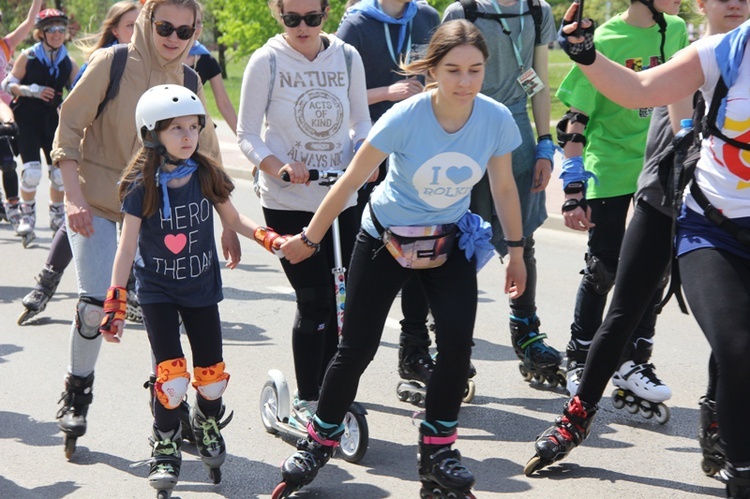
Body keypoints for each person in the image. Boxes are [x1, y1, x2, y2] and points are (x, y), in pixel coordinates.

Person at [272, 20, 526, 498]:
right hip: (384, 240)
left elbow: (505, 188)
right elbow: (350, 182)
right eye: (453, 70)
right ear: (433, 70)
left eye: (475, 70)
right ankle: (319, 440)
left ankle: (438, 449)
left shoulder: (494, 119)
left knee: (456, 347)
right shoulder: (405, 117)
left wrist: (516, 253)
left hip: (447, 241)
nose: (465, 81)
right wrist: (310, 237)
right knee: (356, 350)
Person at [526, 7, 750, 497]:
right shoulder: (697, 48)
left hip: (723, 208)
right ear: (703, 5)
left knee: (732, 331)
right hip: (669, 192)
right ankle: (577, 416)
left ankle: (716, 419)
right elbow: (661, 101)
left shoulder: (682, 33)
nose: (734, 4)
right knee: (624, 308)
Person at [51, 0, 239, 459]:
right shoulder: (112, 63)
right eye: (164, 26)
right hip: (96, 201)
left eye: (184, 29)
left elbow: (208, 156)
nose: (173, 37)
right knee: (97, 303)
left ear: (195, 32)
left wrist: (229, 222)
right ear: (148, 22)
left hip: (156, 212)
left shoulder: (191, 81)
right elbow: (69, 128)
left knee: (165, 311)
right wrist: (73, 198)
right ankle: (78, 389)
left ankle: (171, 417)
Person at [99, 84, 276, 496]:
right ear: (152, 134)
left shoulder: (206, 173)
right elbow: (126, 249)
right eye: (176, 128)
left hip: (200, 287)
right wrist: (116, 301)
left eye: (194, 127)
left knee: (211, 378)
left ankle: (207, 420)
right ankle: (165, 439)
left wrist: (270, 239)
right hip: (158, 290)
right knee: (172, 377)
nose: (187, 136)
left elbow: (235, 218)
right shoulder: (140, 186)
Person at [236, 0, 370, 429]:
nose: (302, 27)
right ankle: (309, 398)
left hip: (341, 197)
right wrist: (279, 167)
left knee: (342, 300)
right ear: (279, 15)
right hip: (288, 201)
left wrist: (369, 160)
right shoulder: (267, 61)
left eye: (312, 18)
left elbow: (361, 124)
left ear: (326, 13)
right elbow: (247, 134)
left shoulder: (347, 57)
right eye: (292, 19)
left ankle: (334, 392)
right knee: (314, 300)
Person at [554, 0, 688, 396]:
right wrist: (573, 189)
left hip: (659, 163)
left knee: (652, 268)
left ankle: (634, 361)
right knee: (603, 268)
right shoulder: (608, 39)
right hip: (609, 165)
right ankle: (579, 356)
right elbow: (575, 119)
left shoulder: (677, 29)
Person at [443, 0, 561, 387]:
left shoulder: (539, 11)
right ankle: (448, 340)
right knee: (459, 243)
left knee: (520, 238)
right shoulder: (464, 13)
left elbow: (538, 82)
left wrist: (545, 142)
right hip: (467, 132)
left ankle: (526, 331)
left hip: (517, 136)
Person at [336, 0, 442, 398]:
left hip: (419, 150)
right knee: (366, 258)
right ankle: (344, 359)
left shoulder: (429, 19)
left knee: (420, 248)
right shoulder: (356, 25)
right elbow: (338, 95)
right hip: (371, 152)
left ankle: (415, 350)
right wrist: (388, 92)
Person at [18, 1, 141, 326]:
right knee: (83, 222)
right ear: (115, 29)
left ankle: (132, 291)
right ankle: (46, 284)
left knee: (134, 228)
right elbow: (75, 112)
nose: (138, 30)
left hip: (137, 164)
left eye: (142, 23)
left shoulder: (157, 63)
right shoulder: (107, 61)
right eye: (130, 25)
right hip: (99, 164)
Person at [1, 8, 78, 245]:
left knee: (59, 175)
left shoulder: (68, 61)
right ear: (40, 33)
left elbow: (80, 90)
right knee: (32, 172)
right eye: (50, 29)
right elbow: (6, 85)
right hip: (27, 119)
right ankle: (27, 215)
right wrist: (30, 90)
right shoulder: (28, 57)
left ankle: (56, 216)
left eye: (60, 29)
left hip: (53, 122)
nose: (56, 33)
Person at [0, 0, 42, 224]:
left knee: (8, 161)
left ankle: (14, 204)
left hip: (7, 110)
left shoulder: (5, 45)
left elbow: (28, 23)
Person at [184, 5, 238, 133]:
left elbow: (224, 103)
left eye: (199, 22)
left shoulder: (206, 59)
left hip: (195, 129)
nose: (195, 27)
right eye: (191, 22)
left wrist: (244, 138)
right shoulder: (166, 57)